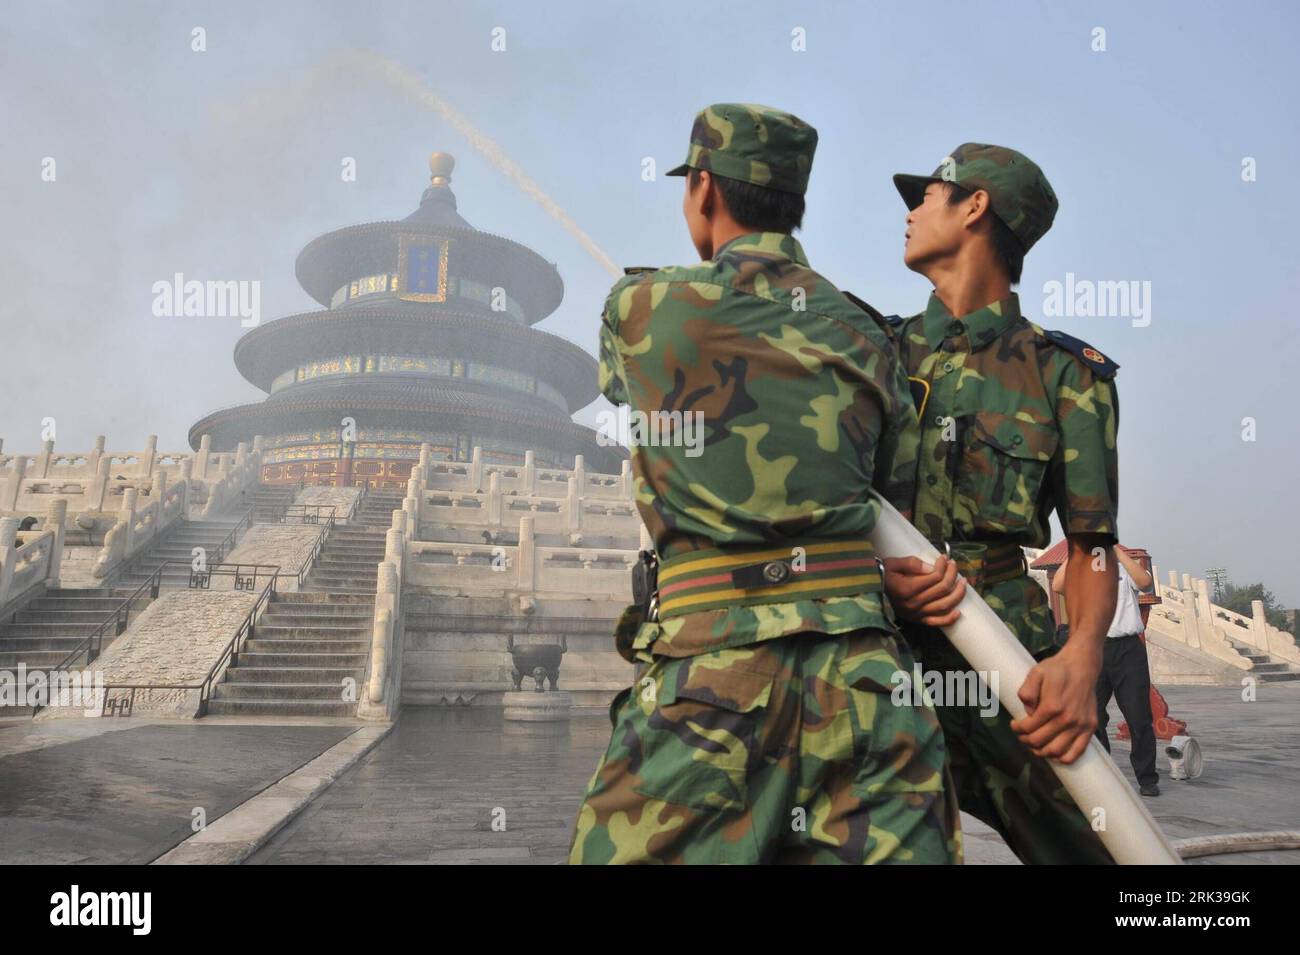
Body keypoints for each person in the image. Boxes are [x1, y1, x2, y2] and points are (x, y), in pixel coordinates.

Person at [567, 104, 961, 864]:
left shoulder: (645, 307)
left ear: (704, 189)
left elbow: (625, 389)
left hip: (709, 682)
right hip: (872, 689)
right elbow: (897, 506)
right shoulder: (870, 336)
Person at [880, 144, 1121, 864]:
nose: (911, 211)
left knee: (1109, 854)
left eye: (925, 195)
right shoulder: (873, 355)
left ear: (974, 205)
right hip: (877, 657)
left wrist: (1082, 656)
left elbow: (1092, 544)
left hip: (1010, 662)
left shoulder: (1067, 374)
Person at [1054, 545, 1159, 795]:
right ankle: (1105, 776)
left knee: (1138, 716)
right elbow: (1058, 585)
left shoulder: (1123, 569)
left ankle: (1147, 779)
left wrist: (1117, 550)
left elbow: (1145, 583)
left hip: (1128, 651)